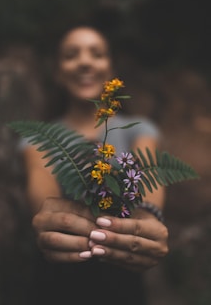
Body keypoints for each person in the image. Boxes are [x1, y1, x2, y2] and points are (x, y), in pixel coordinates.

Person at [21, 25, 168, 305]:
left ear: (110, 68)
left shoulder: (139, 129)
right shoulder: (42, 137)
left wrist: (148, 216)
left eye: (96, 53)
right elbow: (40, 189)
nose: (85, 61)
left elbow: (149, 174)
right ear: (57, 72)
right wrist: (50, 220)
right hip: (58, 272)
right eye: (71, 54)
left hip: (122, 273)